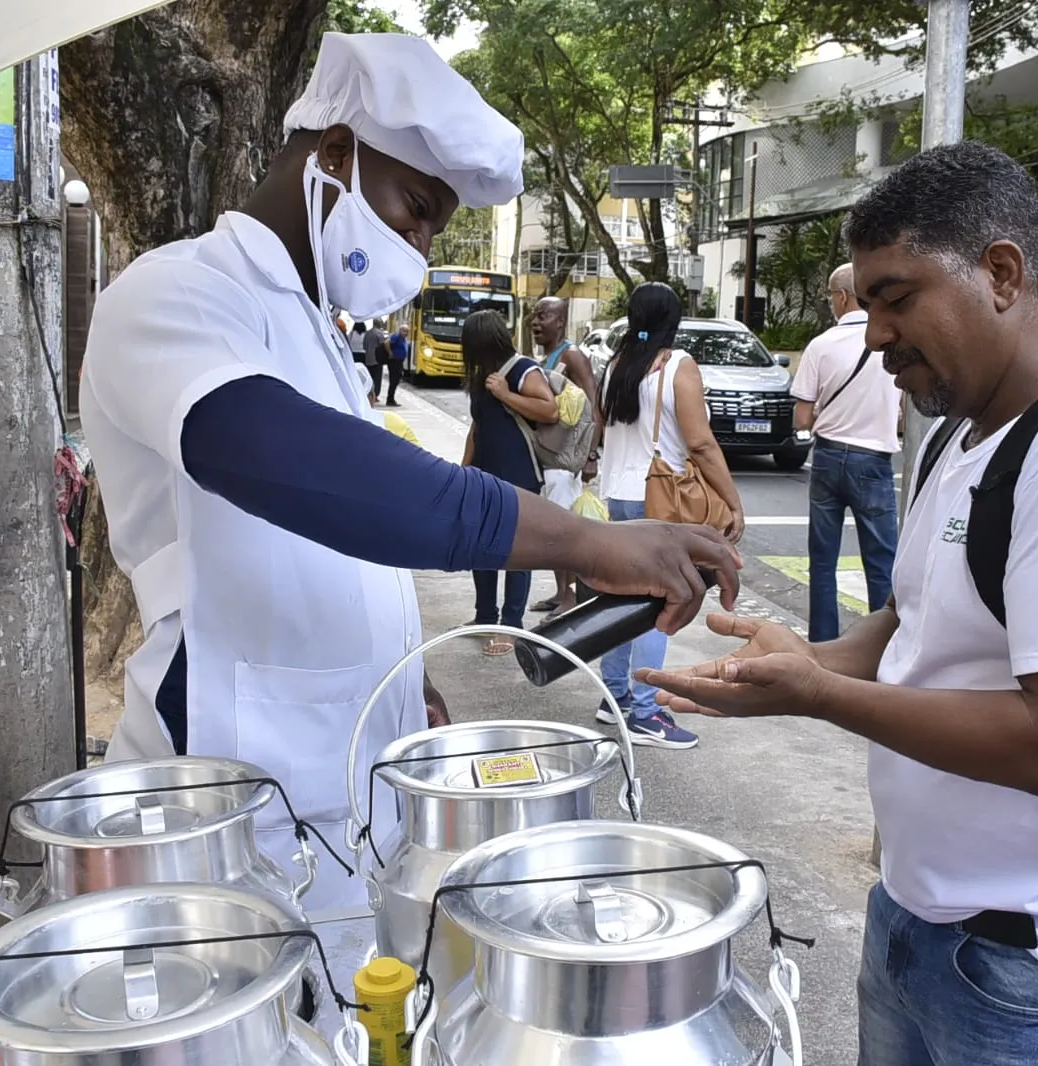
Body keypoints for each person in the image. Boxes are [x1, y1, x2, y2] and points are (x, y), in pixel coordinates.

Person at [78, 31, 739, 1023]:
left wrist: (400, 677)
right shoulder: (174, 294)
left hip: (347, 794)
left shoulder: (315, 330)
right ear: (335, 153)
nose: (421, 248)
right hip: (226, 804)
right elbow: (329, 480)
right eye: (416, 209)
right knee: (259, 1022)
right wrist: (591, 542)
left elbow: (335, 555)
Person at [637, 142, 1038, 1064]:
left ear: (1002, 274)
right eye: (867, 306)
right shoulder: (959, 437)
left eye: (896, 298)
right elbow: (915, 624)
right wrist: (804, 659)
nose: (874, 336)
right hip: (917, 921)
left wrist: (820, 697)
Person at [597, 282, 745, 750]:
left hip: (618, 496)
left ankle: (613, 696)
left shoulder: (616, 365)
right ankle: (645, 712)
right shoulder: (678, 365)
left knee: (620, 598)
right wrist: (733, 501)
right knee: (661, 604)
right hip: (659, 499)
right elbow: (700, 443)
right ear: (674, 322)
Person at [789, 263, 901, 643]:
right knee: (882, 562)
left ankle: (823, 645)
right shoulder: (891, 341)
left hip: (828, 457)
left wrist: (822, 415)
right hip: (874, 462)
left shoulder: (821, 345)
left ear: (841, 297)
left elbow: (802, 418)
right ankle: (882, 647)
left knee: (823, 562)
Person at [460, 310, 557, 654]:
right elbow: (478, 426)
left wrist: (505, 394)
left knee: (516, 553)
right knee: (480, 548)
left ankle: (512, 626)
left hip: (519, 476)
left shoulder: (521, 370)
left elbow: (549, 409)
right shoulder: (481, 375)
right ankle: (485, 616)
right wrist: (463, 469)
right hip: (483, 475)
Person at [527, 296, 599, 617]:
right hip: (550, 459)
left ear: (560, 321)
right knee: (552, 529)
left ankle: (571, 596)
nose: (535, 322)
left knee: (563, 530)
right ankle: (560, 592)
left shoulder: (572, 356)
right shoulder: (547, 359)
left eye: (543, 316)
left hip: (566, 461)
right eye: (534, 316)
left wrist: (591, 455)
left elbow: (593, 405)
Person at [361, 318, 391, 401]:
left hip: (368, 358)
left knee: (369, 377)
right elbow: (383, 345)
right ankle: (375, 395)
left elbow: (364, 345)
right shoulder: (379, 333)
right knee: (377, 378)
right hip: (377, 359)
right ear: (379, 324)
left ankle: (368, 393)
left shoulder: (367, 333)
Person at [385, 323, 411, 406]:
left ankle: (391, 398)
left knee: (396, 380)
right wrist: (390, 353)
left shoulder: (403, 338)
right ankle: (390, 399)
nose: (406, 333)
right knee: (394, 380)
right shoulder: (396, 336)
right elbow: (386, 342)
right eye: (404, 331)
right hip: (394, 361)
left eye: (407, 331)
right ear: (400, 330)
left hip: (399, 361)